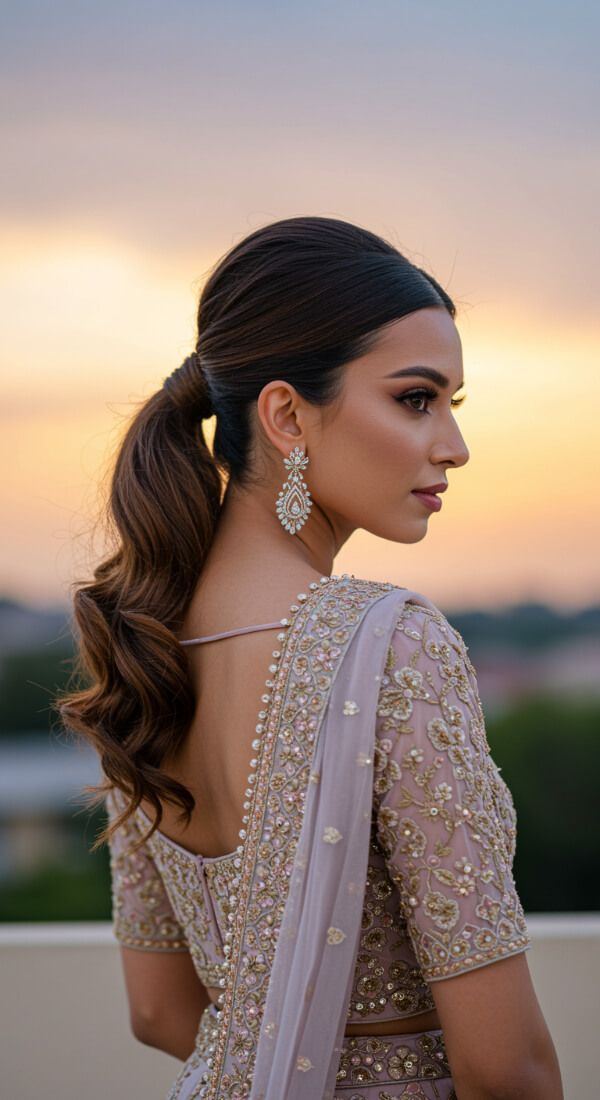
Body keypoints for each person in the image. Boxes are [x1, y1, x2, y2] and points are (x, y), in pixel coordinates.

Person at [58, 216, 563, 1099]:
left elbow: (160, 1012)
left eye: (453, 404)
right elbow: (504, 1067)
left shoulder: (141, 641)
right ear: (287, 414)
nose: (454, 445)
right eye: (415, 399)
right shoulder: (391, 645)